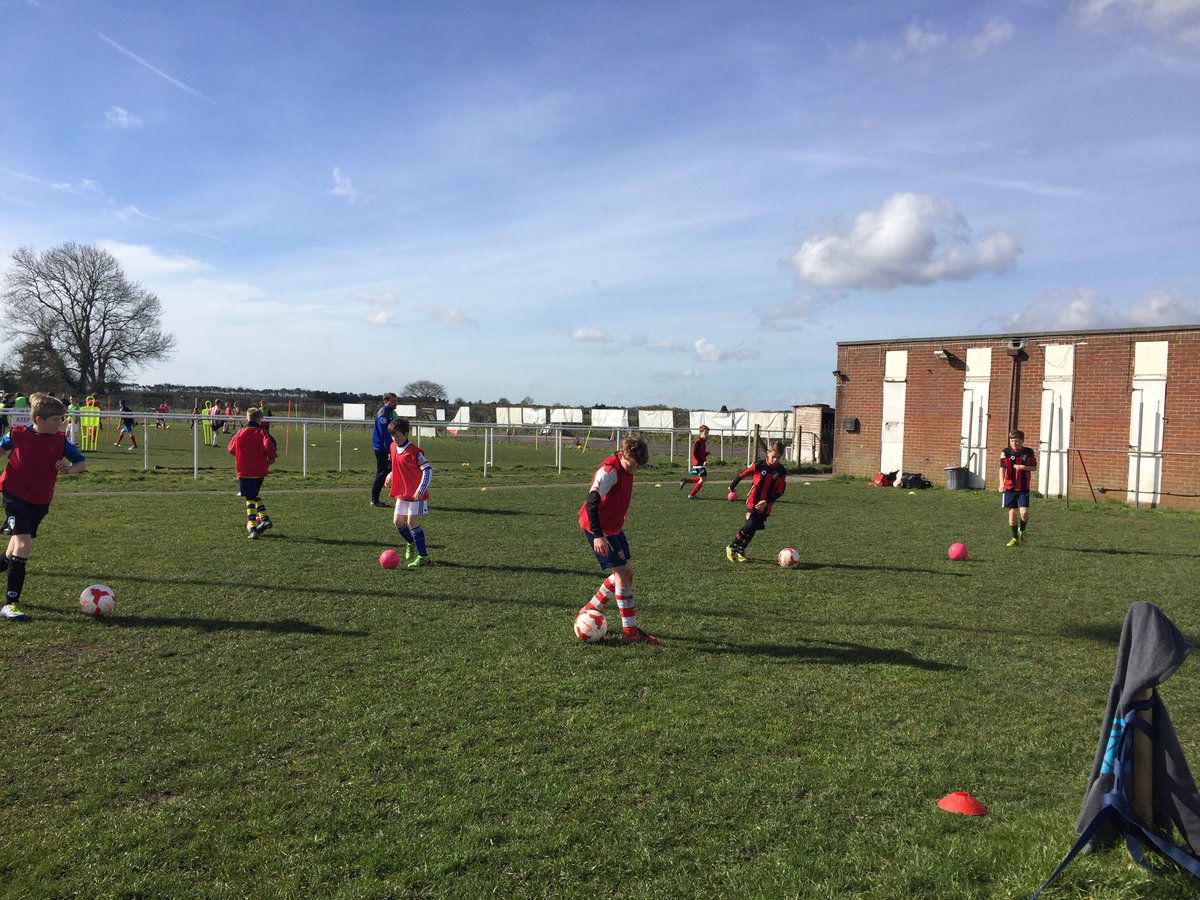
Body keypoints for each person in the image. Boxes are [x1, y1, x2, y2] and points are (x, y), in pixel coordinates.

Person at [0, 393, 87, 619]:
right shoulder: (17, 435)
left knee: (12, 553)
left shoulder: (60, 441)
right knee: (23, 545)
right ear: (39, 419)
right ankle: (11, 604)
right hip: (15, 495)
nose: (61, 423)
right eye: (57, 419)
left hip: (40, 500)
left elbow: (81, 462)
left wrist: (69, 468)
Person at [576, 433, 658, 645]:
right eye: (631, 466)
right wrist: (598, 535)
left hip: (613, 528)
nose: (633, 470)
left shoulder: (626, 467)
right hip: (600, 529)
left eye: (637, 467)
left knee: (627, 571)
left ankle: (591, 609)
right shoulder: (609, 471)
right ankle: (630, 633)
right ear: (621, 454)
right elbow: (592, 503)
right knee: (622, 573)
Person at [725, 439, 788, 563]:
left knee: (754, 527)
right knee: (750, 524)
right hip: (752, 501)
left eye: (778, 458)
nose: (775, 460)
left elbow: (780, 491)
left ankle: (741, 549)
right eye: (773, 456)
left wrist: (767, 501)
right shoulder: (759, 465)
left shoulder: (781, 472)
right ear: (768, 453)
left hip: (766, 505)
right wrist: (732, 486)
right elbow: (742, 474)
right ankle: (732, 546)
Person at [387, 417, 432, 568]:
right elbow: (396, 465)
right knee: (398, 521)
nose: (395, 439)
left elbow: (427, 470)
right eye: (393, 435)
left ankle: (423, 556)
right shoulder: (393, 447)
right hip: (402, 491)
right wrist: (390, 475)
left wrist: (421, 489)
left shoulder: (415, 452)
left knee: (412, 522)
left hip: (416, 493)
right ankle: (411, 542)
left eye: (398, 435)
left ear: (406, 434)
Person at [228, 408, 278, 539]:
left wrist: (241, 455)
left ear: (247, 418)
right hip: (260, 470)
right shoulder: (262, 432)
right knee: (254, 495)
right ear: (259, 419)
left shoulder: (240, 433)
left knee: (249, 498)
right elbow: (269, 447)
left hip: (244, 470)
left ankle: (253, 527)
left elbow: (231, 449)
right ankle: (264, 519)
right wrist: (271, 458)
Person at [999, 428, 1037, 547]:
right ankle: (1015, 538)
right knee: (1012, 514)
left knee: (1024, 513)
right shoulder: (1006, 452)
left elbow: (1034, 468)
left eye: (1016, 441)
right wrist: (1001, 484)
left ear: (1022, 441)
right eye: (1012, 441)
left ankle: (1022, 530)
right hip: (1009, 487)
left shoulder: (1029, 452)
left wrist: (1023, 467)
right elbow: (1002, 468)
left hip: (1023, 488)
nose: (1014, 443)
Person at [371, 392, 399, 507]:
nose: (395, 403)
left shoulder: (390, 412)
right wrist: (390, 451)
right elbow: (385, 435)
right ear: (386, 401)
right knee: (382, 473)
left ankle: (399, 494)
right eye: (393, 401)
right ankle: (374, 500)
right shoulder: (383, 413)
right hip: (382, 448)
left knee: (394, 470)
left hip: (387, 447)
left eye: (396, 401)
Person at [678, 424, 711, 499]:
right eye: (705, 433)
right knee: (703, 479)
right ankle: (692, 495)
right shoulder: (698, 441)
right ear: (700, 433)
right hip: (699, 464)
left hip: (700, 464)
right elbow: (695, 453)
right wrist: (702, 462)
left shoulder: (702, 442)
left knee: (703, 479)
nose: (707, 435)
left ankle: (685, 481)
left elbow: (700, 452)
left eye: (707, 433)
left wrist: (705, 453)